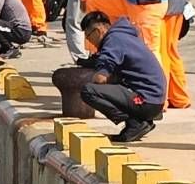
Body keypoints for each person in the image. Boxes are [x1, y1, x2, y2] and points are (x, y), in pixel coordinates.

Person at [50, 10, 166, 143]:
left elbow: (101, 78)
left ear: (97, 31)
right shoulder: (123, 35)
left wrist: (88, 76)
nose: (90, 42)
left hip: (146, 100)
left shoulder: (112, 42)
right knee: (112, 82)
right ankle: (140, 120)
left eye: (88, 37)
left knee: (89, 91)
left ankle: (134, 123)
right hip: (155, 99)